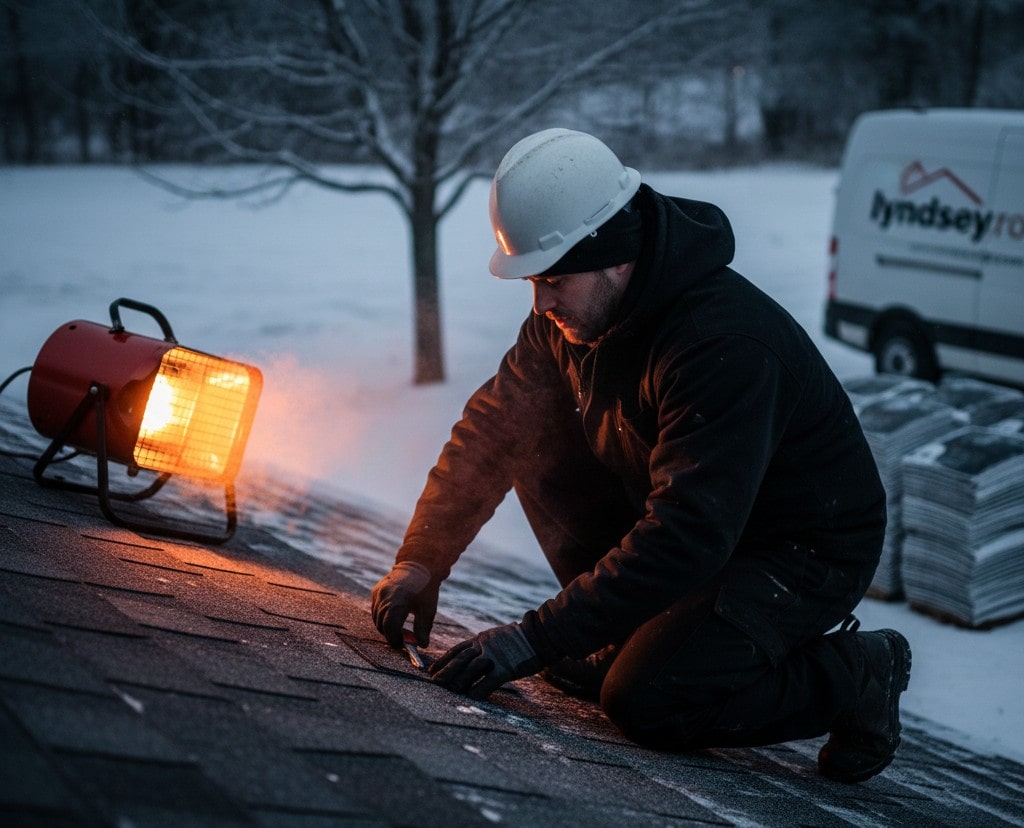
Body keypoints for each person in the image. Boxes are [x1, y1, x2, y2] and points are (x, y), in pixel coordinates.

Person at [370, 128, 911, 784]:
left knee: (648, 699)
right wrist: (423, 557)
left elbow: (689, 535)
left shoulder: (723, 345)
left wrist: (536, 638)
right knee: (531, 437)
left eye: (553, 280)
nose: (540, 303)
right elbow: (495, 430)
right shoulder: (573, 321)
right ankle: (628, 638)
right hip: (691, 520)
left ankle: (857, 675)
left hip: (798, 549)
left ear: (614, 256)